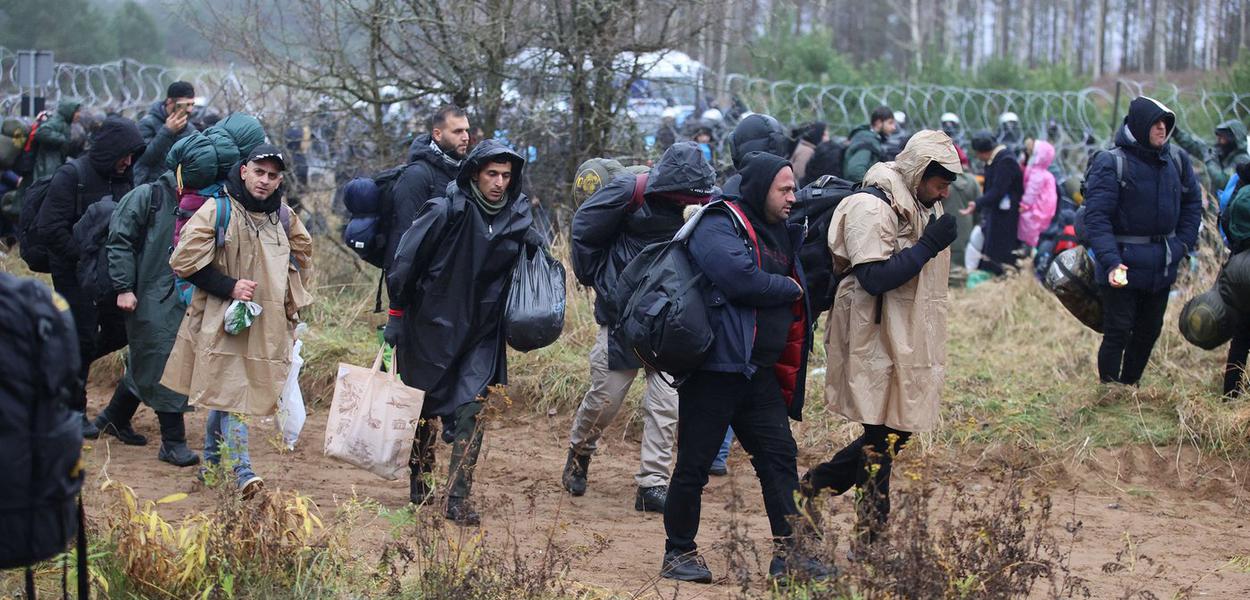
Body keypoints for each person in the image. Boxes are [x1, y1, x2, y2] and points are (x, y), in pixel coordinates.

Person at [661, 151, 830, 585]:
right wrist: (789, 288)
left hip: (757, 372)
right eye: (784, 189)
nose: (792, 197)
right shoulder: (718, 223)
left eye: (794, 189)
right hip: (715, 370)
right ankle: (678, 553)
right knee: (695, 465)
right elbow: (738, 278)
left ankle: (789, 556)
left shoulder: (780, 231)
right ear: (760, 189)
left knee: (779, 458)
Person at [804, 130, 962, 543]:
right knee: (883, 433)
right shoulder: (871, 206)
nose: (944, 193)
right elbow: (873, 277)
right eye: (939, 183)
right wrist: (928, 244)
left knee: (895, 429)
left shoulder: (920, 201)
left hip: (904, 330)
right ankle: (868, 534)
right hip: (869, 332)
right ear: (919, 173)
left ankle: (815, 489)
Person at [384, 140, 537, 525]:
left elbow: (528, 271)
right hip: (431, 324)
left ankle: (457, 496)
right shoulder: (444, 210)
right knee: (425, 406)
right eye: (492, 174)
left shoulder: (517, 217)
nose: (499, 183)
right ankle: (420, 479)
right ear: (474, 174)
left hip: (483, 329)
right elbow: (405, 263)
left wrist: (535, 251)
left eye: (506, 175)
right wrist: (397, 314)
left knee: (472, 407)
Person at [564, 142, 716, 512]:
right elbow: (584, 228)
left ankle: (652, 483)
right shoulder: (629, 191)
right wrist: (601, 282)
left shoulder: (708, 201)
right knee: (605, 399)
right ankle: (580, 452)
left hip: (670, 321)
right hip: (622, 316)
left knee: (666, 403)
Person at [163, 144, 315, 497]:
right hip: (222, 319)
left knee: (226, 391)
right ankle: (243, 471)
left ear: (280, 181)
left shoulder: (285, 217)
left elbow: (302, 261)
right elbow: (183, 262)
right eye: (259, 172)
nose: (265, 181)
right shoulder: (218, 210)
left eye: (273, 176)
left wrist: (291, 310)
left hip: (267, 323)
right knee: (235, 390)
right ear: (244, 171)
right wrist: (228, 286)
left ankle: (211, 466)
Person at [102, 134, 224, 467]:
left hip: (182, 294)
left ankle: (113, 417)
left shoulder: (204, 201)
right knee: (164, 358)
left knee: (150, 359)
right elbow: (119, 242)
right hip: (148, 293)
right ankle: (172, 442)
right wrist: (124, 287)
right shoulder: (149, 196)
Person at [36, 116, 145, 439]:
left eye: (133, 155)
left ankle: (60, 365)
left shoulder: (124, 177)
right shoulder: (72, 175)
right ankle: (74, 410)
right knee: (82, 336)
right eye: (124, 155)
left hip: (109, 272)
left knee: (120, 330)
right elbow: (49, 227)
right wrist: (83, 256)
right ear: (110, 149)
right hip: (71, 271)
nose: (128, 162)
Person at [1083, 96, 1201, 386]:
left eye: (1166, 123)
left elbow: (1192, 204)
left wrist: (1181, 245)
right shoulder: (1111, 162)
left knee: (1149, 331)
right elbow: (1097, 218)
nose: (1162, 128)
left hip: (1162, 263)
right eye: (1155, 123)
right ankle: (1110, 390)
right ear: (1139, 124)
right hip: (1121, 264)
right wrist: (1112, 261)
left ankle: (1130, 385)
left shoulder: (1177, 160)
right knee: (1118, 330)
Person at [390, 105, 470, 272]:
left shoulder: (467, 172)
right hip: (423, 279)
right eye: (457, 131)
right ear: (437, 134)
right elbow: (403, 239)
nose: (465, 137)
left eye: (466, 130)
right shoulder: (416, 175)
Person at [962, 130, 1023, 275]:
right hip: (997, 215)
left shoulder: (1005, 161)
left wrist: (977, 203)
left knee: (999, 255)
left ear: (982, 152)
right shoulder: (997, 160)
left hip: (1004, 218)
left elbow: (998, 191)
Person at [1221, 159, 1250, 398]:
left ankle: (1231, 393)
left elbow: (1225, 221)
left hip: (1239, 265)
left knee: (1241, 335)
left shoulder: (1240, 182)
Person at [133, 81, 198, 185]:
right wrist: (168, 131)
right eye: (185, 105)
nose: (189, 109)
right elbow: (143, 158)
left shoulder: (190, 129)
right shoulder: (147, 123)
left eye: (192, 105)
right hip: (151, 185)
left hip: (178, 186)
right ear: (169, 102)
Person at [1174, 119, 1248, 193]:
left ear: (1234, 139)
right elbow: (1196, 147)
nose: (1219, 141)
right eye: (1219, 137)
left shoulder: (1242, 160)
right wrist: (1176, 133)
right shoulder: (1222, 153)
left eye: (1223, 138)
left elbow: (1223, 181)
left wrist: (1209, 161)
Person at [1018, 140, 1058, 249]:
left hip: (1036, 209)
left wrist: (1024, 205)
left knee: (1029, 228)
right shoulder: (1043, 172)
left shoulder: (1037, 173)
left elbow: (1031, 191)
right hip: (1042, 209)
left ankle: (1028, 250)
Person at [30, 100, 83, 182]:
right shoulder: (57, 122)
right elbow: (41, 132)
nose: (79, 115)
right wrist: (62, 138)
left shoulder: (65, 123)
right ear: (69, 110)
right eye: (77, 111)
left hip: (52, 165)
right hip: (47, 167)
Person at [843, 106, 896, 183]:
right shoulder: (867, 140)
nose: (894, 127)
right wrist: (874, 186)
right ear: (878, 123)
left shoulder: (868, 137)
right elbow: (855, 171)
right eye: (890, 123)